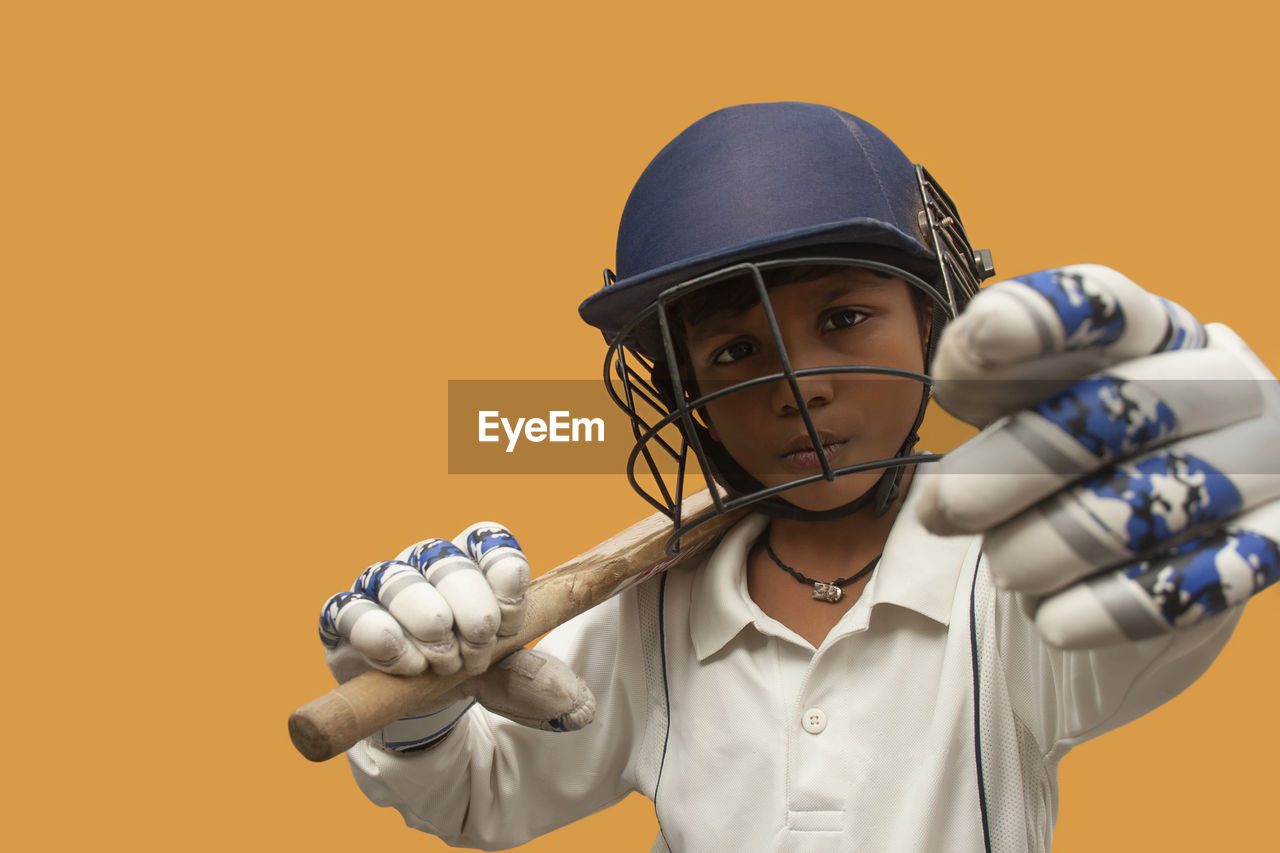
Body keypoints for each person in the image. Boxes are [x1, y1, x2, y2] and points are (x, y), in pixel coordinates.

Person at [316, 102, 1280, 851]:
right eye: (735, 350)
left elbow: (1136, 616)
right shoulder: (654, 608)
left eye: (846, 317)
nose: (798, 385)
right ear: (681, 386)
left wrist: (1207, 470)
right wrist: (424, 703)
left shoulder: (1008, 567)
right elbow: (484, 796)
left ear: (935, 319)